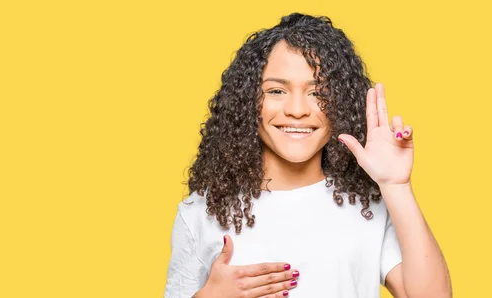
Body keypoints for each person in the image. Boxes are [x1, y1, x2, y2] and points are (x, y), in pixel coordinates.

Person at [164, 13, 451, 298]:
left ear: (340, 103)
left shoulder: (367, 205)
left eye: (318, 92)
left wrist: (396, 186)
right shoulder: (200, 212)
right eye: (276, 90)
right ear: (247, 101)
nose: (297, 109)